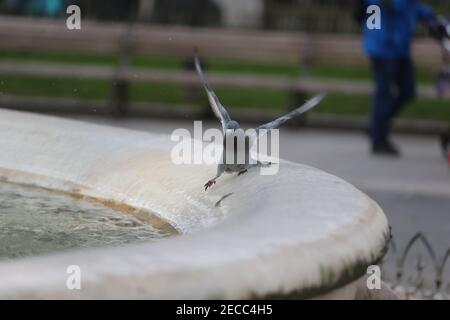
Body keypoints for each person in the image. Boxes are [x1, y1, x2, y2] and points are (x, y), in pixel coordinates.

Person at [361, 0, 438, 156]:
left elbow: (413, 7)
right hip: (383, 47)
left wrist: (432, 18)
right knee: (384, 94)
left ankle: (376, 127)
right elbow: (395, 7)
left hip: (399, 48)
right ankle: (378, 139)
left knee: (408, 91)